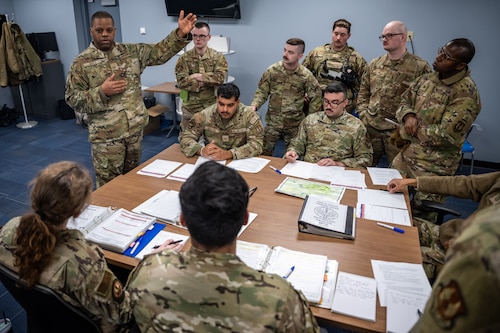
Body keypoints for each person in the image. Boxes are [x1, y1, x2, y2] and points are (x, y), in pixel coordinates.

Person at [126, 161, 320, 332]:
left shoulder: (148, 271)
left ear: (183, 220)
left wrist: (154, 259)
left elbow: (124, 315)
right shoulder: (280, 298)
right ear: (245, 218)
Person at [65, 10, 196, 187]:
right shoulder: (81, 63)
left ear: (115, 31)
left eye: (109, 30)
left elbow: (158, 53)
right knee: (110, 188)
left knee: (133, 181)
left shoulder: (131, 52)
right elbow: (72, 98)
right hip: (107, 138)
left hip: (134, 132)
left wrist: (180, 34)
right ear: (91, 31)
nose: (105, 34)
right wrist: (102, 92)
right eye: (99, 30)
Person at [0, 161, 131, 332]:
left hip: (42, 318)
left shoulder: (10, 228)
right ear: (77, 212)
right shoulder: (85, 260)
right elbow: (123, 314)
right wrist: (146, 267)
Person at [392, 38, 481, 207]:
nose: (438, 57)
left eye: (446, 57)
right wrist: (408, 116)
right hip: (406, 154)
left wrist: (411, 128)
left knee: (423, 217)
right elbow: (403, 102)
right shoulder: (426, 79)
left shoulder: (465, 94)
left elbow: (445, 135)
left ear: (460, 65)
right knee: (388, 201)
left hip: (433, 167)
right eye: (441, 51)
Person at [387, 171, 500, 280]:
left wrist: (466, 243)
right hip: (449, 233)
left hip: (469, 258)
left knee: (394, 257)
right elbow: (464, 184)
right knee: (391, 225)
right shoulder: (497, 179)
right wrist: (412, 182)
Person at [409, 204, 500, 332]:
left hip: (458, 256)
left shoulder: (489, 237)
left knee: (406, 256)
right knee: (407, 227)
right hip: (451, 235)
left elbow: (434, 326)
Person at [357, 20, 431, 167]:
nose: (384, 39)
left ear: (403, 37)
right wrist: (363, 114)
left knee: (399, 174)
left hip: (398, 131)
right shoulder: (374, 64)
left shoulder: (420, 67)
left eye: (389, 35)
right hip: (372, 127)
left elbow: (426, 101)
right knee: (364, 170)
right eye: (383, 36)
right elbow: (363, 92)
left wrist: (411, 121)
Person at [250, 38, 322, 156]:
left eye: (290, 52)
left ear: (300, 55)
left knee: (293, 158)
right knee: (261, 154)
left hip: (294, 125)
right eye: (285, 50)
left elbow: (316, 97)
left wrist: (310, 120)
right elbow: (262, 91)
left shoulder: (305, 76)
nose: (285, 54)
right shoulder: (272, 71)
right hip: (273, 123)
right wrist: (254, 105)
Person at [285, 81, 373, 168]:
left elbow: (365, 159)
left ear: (345, 103)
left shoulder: (356, 126)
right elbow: (297, 144)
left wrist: (338, 164)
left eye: (334, 102)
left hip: (338, 173)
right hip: (310, 169)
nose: (328, 106)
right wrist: (293, 152)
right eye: (326, 101)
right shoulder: (310, 120)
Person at [179, 83, 264, 160]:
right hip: (212, 160)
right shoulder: (205, 115)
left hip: (240, 161)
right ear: (216, 100)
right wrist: (201, 150)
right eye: (221, 104)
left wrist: (229, 154)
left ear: (238, 102)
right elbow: (185, 138)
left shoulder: (249, 116)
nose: (225, 109)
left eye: (230, 105)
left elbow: (257, 144)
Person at [302, 18, 367, 114]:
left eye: (342, 35)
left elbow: (366, 84)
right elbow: (301, 74)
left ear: (349, 36)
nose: (338, 38)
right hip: (316, 107)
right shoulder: (317, 53)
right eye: (336, 34)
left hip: (343, 109)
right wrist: (304, 93)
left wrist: (356, 103)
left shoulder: (356, 58)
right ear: (332, 32)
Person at [175, 21, 228, 130]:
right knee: (187, 141)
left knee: (212, 141)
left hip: (211, 106)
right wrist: (209, 81)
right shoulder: (184, 58)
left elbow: (221, 78)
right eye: (195, 36)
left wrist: (199, 76)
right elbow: (182, 82)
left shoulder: (218, 57)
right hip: (190, 107)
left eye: (202, 36)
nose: (198, 39)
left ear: (209, 37)